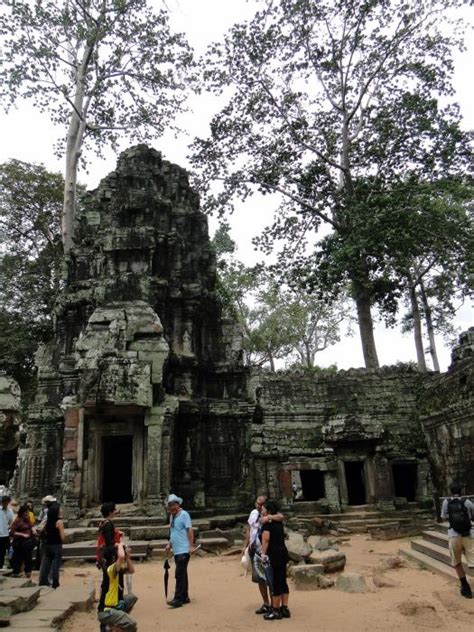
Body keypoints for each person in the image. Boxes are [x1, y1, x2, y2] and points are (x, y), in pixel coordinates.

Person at [241, 495, 284, 616]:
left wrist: (268, 516)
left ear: (266, 506)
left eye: (261, 504)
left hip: (265, 551)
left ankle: (273, 605)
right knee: (259, 579)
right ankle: (266, 603)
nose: (258, 505)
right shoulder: (254, 513)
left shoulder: (271, 517)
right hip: (254, 548)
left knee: (270, 579)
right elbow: (249, 529)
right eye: (257, 502)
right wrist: (245, 545)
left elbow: (281, 516)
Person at [440, 481, 473, 599]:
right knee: (473, 562)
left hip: (453, 535)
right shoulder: (467, 501)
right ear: (461, 492)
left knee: (457, 562)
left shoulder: (446, 502)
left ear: (450, 492)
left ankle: (465, 587)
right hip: (469, 535)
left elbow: (443, 517)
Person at [260, 499, 290, 620]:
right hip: (283, 553)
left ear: (267, 511)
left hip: (274, 555)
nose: (261, 511)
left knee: (276, 582)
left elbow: (265, 540)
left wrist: (263, 554)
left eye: (263, 509)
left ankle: (276, 610)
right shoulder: (278, 521)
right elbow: (281, 516)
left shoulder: (268, 523)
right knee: (282, 580)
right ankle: (284, 608)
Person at [97, 542, 137, 631]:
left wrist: (128, 557)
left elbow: (131, 570)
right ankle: (110, 627)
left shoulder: (118, 570)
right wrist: (120, 545)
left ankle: (117, 621)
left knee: (131, 598)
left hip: (116, 606)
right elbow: (121, 557)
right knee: (132, 625)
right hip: (106, 611)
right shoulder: (110, 569)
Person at [165, 493, 196, 608]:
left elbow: (190, 530)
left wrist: (191, 546)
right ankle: (184, 596)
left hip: (183, 549)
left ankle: (178, 598)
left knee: (179, 573)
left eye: (174, 505)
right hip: (177, 549)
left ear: (178, 504)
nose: (172, 507)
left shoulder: (184, 515)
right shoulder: (172, 516)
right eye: (170, 506)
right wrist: (169, 544)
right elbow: (173, 532)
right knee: (182, 573)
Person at [38, 502, 65, 589]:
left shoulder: (48, 521)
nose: (61, 511)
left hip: (48, 545)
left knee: (46, 564)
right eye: (60, 510)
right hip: (56, 545)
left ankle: (43, 581)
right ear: (56, 512)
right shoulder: (59, 522)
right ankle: (55, 582)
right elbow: (62, 537)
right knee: (55, 565)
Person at [10, 503, 37, 578]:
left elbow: (31, 526)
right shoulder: (17, 521)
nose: (27, 514)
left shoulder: (27, 519)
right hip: (19, 543)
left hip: (27, 543)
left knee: (28, 558)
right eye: (25, 512)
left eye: (27, 512)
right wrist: (22, 534)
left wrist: (33, 530)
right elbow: (12, 532)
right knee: (18, 558)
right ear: (22, 513)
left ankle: (28, 573)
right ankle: (16, 572)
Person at [0, 495, 14, 569]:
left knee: (3, 551)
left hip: (5, 534)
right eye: (3, 502)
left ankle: (2, 566)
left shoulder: (10, 511)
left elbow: (11, 522)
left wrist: (9, 529)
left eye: (6, 502)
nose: (5, 503)